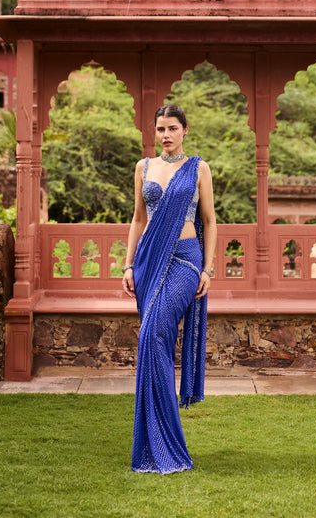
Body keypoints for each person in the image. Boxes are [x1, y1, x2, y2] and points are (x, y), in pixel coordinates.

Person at [122, 104, 217, 474]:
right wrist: (128, 264)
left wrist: (209, 268)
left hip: (185, 260)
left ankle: (168, 444)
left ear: (185, 131)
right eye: (160, 128)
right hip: (147, 260)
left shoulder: (198, 168)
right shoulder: (143, 168)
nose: (165, 135)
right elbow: (138, 218)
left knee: (154, 333)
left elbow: (209, 221)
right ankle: (154, 440)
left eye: (172, 128)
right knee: (151, 340)